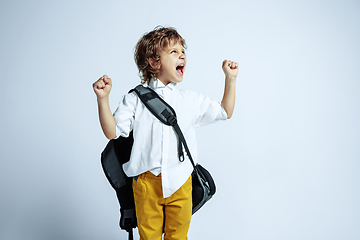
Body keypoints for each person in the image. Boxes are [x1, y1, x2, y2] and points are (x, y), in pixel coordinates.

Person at [93, 26, 238, 240]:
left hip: (180, 182)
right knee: (148, 238)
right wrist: (103, 100)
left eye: (183, 51)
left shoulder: (189, 99)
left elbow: (225, 111)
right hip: (145, 183)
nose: (182, 55)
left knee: (178, 237)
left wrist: (230, 79)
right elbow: (112, 131)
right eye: (173, 51)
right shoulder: (135, 99)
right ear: (153, 62)